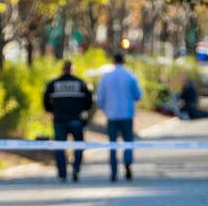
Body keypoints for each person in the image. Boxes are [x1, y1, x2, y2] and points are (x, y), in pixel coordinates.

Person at [43, 60, 93, 182]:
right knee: (79, 145)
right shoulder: (81, 83)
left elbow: (45, 101)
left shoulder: (54, 84)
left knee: (60, 146)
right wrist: (82, 110)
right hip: (76, 119)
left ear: (62, 69)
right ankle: (76, 168)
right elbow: (89, 101)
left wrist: (53, 111)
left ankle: (62, 173)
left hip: (60, 119)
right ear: (73, 69)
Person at [97, 53, 142, 182]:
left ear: (113, 62)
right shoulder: (130, 76)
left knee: (112, 144)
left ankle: (113, 171)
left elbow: (100, 98)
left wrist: (104, 108)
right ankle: (127, 163)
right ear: (124, 62)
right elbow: (138, 95)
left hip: (112, 115)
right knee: (128, 142)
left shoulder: (106, 77)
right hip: (127, 114)